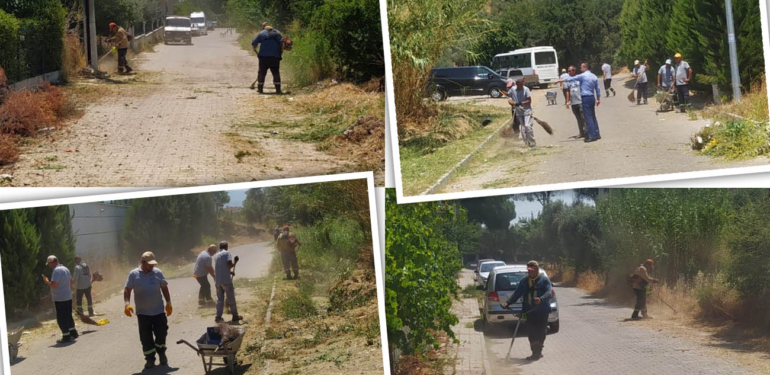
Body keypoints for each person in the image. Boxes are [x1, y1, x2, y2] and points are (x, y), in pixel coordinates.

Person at [124, 252, 172, 369]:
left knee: (162, 334)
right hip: (143, 313)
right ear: (143, 262)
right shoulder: (134, 274)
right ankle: (150, 359)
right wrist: (127, 304)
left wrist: (168, 303)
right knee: (146, 338)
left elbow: (164, 288)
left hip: (158, 311)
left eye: (153, 264)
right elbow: (127, 289)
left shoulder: (158, 272)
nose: (152, 266)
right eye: (149, 264)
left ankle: (162, 354)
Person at [501, 260, 552, 361]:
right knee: (532, 332)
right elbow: (517, 293)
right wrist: (508, 303)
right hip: (529, 311)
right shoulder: (524, 281)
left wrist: (541, 299)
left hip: (542, 311)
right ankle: (535, 352)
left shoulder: (544, 280)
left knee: (541, 332)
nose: (530, 272)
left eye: (532, 270)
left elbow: (549, 292)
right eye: (529, 270)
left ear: (537, 269)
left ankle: (538, 351)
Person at [560, 62, 602, 143]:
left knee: (588, 117)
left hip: (585, 97)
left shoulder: (583, 76)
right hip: (592, 97)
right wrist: (598, 98)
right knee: (593, 116)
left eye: (581, 68)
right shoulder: (594, 76)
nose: (580, 69)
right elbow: (598, 88)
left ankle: (591, 136)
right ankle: (597, 133)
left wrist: (561, 80)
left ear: (585, 68)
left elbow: (571, 79)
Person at [42, 255, 79, 343]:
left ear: (52, 262)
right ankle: (73, 332)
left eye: (49, 264)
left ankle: (66, 336)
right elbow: (71, 281)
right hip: (67, 296)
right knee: (68, 315)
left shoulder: (56, 271)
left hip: (60, 298)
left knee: (61, 317)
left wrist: (47, 281)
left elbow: (54, 284)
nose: (49, 266)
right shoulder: (65, 269)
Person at [213, 241, 243, 323]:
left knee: (219, 300)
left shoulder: (216, 256)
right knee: (231, 298)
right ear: (226, 247)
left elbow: (220, 268)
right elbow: (229, 265)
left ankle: (218, 317)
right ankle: (235, 316)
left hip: (218, 281)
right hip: (226, 281)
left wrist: (230, 272)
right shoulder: (227, 253)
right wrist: (235, 262)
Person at [251, 24, 283, 94]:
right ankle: (278, 90)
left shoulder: (262, 33)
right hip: (275, 58)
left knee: (262, 73)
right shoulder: (277, 33)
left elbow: (253, 43)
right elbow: (282, 44)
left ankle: (260, 89)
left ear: (265, 28)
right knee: (276, 73)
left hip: (263, 58)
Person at [507, 78, 536, 150]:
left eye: (521, 85)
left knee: (527, 126)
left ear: (522, 84)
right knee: (523, 129)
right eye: (518, 85)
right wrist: (512, 103)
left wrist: (521, 103)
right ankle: (527, 143)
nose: (519, 86)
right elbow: (509, 98)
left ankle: (532, 143)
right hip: (519, 112)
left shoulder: (526, 89)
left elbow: (529, 101)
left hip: (526, 111)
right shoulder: (513, 89)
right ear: (516, 84)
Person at [564, 65, 586, 139]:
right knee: (578, 118)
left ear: (574, 71)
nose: (569, 72)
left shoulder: (579, 78)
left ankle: (586, 131)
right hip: (573, 102)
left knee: (583, 117)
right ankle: (581, 132)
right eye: (568, 71)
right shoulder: (568, 80)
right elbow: (567, 91)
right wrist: (567, 101)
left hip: (580, 101)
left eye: (570, 71)